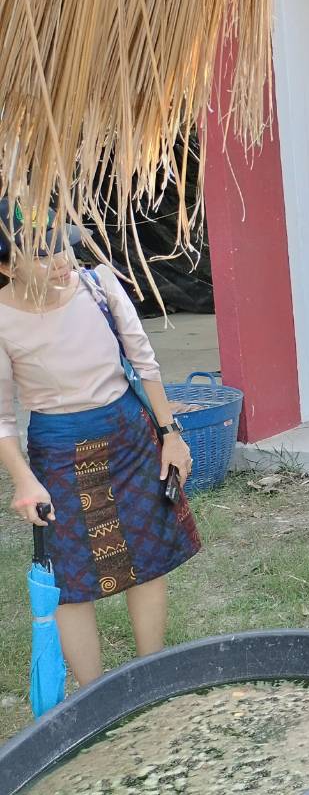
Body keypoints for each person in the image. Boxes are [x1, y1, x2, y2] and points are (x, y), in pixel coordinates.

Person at [0, 208, 199, 688]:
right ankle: (93, 693)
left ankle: (151, 676)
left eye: (63, 246)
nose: (60, 261)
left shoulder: (98, 285)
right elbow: (3, 417)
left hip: (129, 435)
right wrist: (24, 480)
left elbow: (144, 362)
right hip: (58, 448)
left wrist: (171, 435)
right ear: (7, 266)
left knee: (147, 556)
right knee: (70, 579)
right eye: (42, 255)